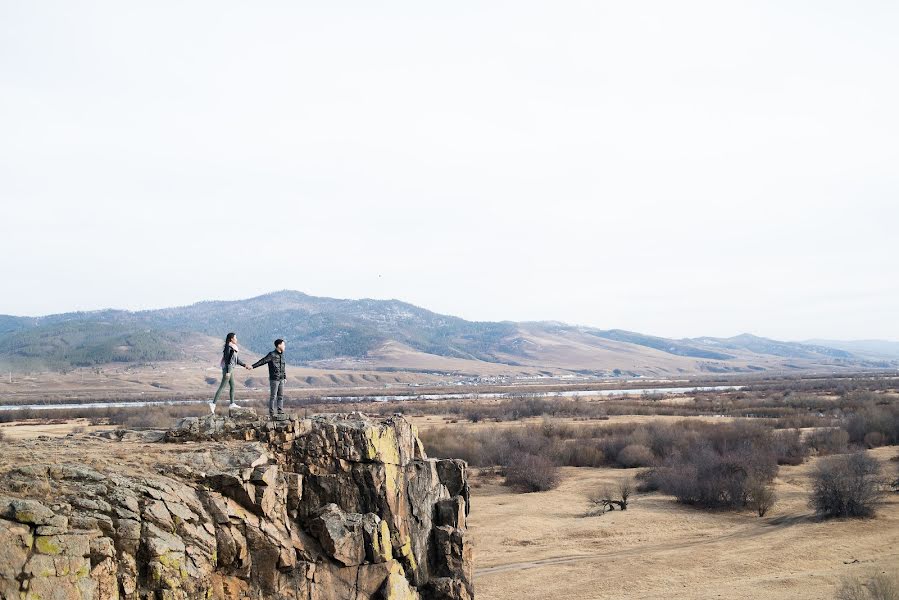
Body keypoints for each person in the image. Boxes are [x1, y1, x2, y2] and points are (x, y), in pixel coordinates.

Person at [209, 332, 251, 414]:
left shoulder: (233, 348)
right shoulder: (228, 348)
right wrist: (228, 372)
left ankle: (232, 403)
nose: (237, 339)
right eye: (235, 338)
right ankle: (213, 403)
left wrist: (245, 365)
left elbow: (236, 360)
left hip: (230, 369)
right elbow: (227, 360)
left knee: (232, 385)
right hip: (228, 369)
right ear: (231, 339)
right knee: (222, 386)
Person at [252, 338, 287, 418]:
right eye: (283, 344)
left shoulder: (282, 355)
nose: (284, 346)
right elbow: (263, 361)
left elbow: (283, 367)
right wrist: (253, 366)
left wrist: (284, 377)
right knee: (273, 396)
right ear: (279, 345)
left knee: (280, 396)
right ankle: (271, 413)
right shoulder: (272, 354)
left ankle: (280, 411)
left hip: (281, 379)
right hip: (274, 379)